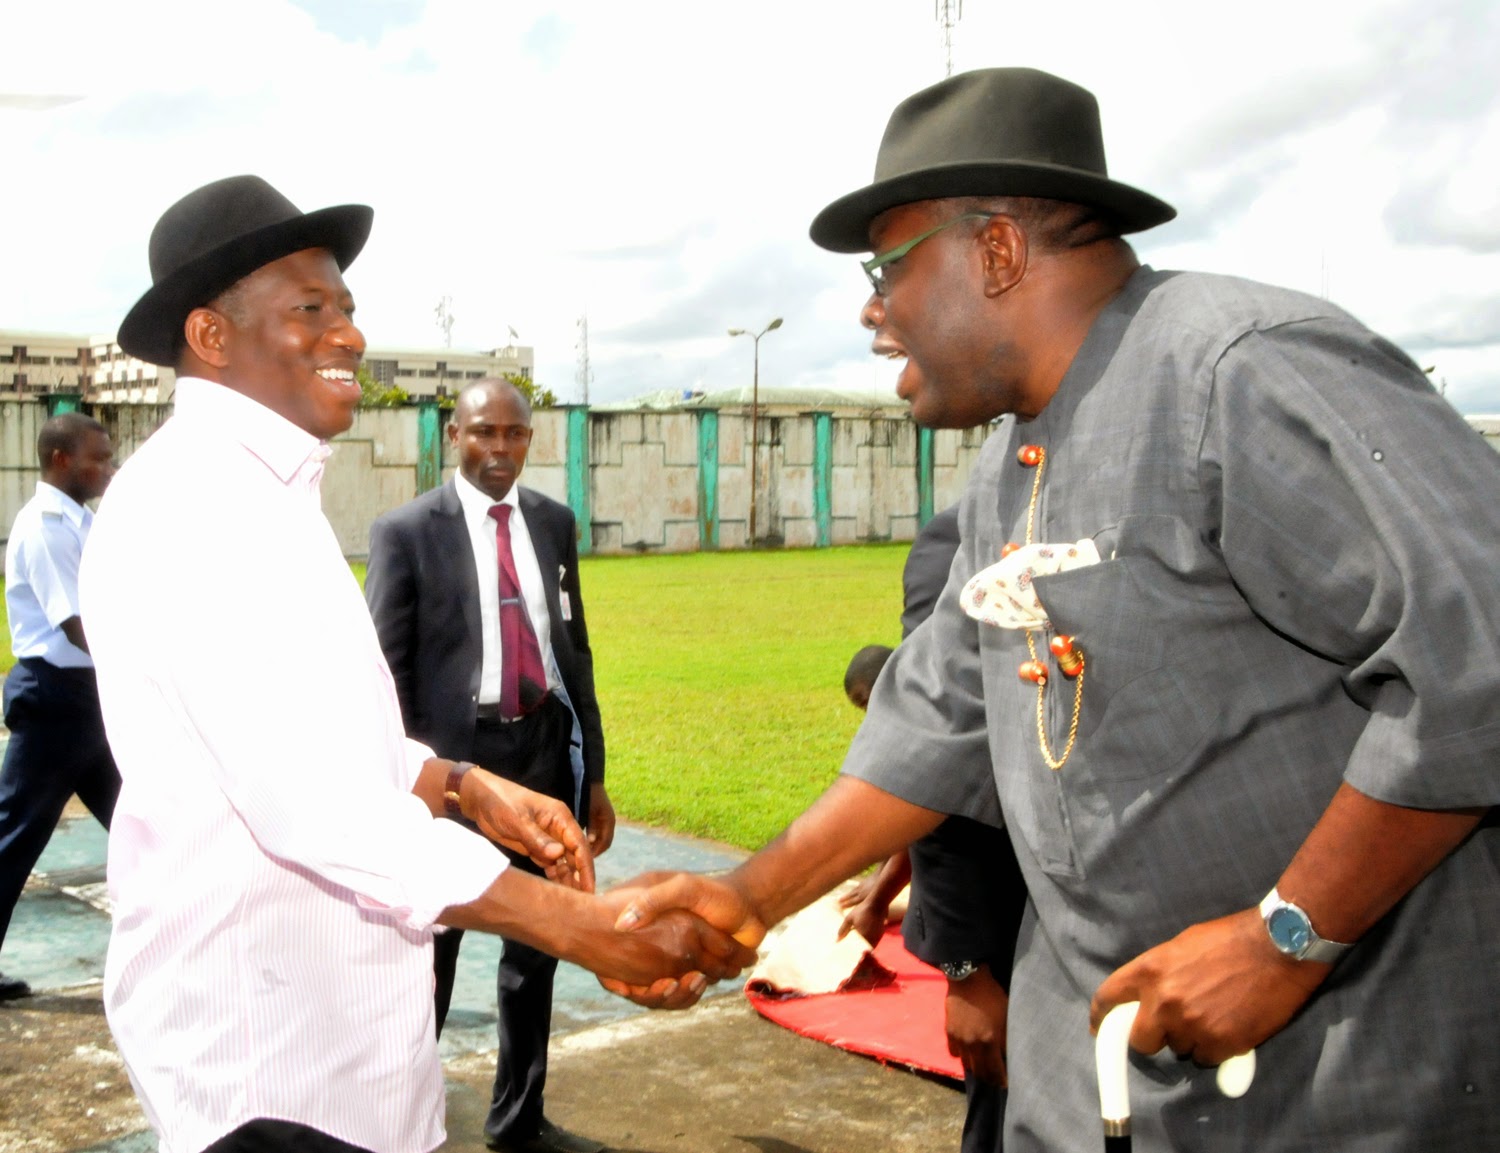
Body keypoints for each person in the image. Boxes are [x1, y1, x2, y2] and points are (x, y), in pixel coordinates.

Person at [610, 68, 1500, 1151]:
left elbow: (1476, 653)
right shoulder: (1008, 465)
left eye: (887, 266)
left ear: (995, 252)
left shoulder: (1238, 369)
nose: (869, 309)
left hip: (1340, 1080)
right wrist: (749, 895)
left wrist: (1288, 937)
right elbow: (941, 718)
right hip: (1089, 1079)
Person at [80, 174, 752, 1153]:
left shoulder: (270, 497)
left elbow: (326, 739)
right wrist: (576, 922)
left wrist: (461, 784)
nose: (349, 335)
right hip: (269, 1064)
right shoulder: (193, 507)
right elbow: (312, 799)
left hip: (338, 1049)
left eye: (347, 308)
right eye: (310, 309)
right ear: (212, 337)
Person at [366, 378, 613, 1153]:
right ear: (454, 433)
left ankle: (518, 1117)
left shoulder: (553, 523)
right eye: (484, 433)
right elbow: (384, 673)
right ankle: (398, 1123)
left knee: (536, 944)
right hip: (455, 772)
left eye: (515, 434)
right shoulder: (407, 531)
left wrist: (593, 771)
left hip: (538, 752)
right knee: (429, 951)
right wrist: (414, 781)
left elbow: (573, 649)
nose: (500, 450)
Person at [837, 504, 1025, 1153]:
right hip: (1017, 918)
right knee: (1009, 1104)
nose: (901, 392)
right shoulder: (965, 534)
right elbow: (940, 766)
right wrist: (967, 965)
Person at [0, 413, 118, 1002]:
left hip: (87, 702)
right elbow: (78, 626)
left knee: (140, 825)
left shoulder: (82, 519)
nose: (108, 466)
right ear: (61, 460)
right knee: (15, 837)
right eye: (98, 457)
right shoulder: (46, 526)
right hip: (55, 701)